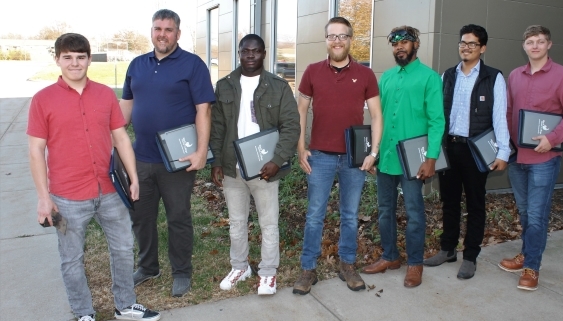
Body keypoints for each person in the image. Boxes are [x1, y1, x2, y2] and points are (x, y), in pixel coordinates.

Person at [27, 33, 160, 321]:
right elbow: (36, 150)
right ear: (58, 60)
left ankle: (125, 304)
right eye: (68, 57)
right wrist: (43, 198)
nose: (75, 63)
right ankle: (83, 313)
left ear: (89, 58)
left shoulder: (103, 95)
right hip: (68, 195)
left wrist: (134, 178)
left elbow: (121, 138)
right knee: (72, 258)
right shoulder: (43, 99)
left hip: (109, 190)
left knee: (124, 248)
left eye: (81, 56)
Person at [119, 9, 215, 297]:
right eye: (157, 28)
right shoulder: (137, 64)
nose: (162, 34)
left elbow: (204, 110)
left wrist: (200, 151)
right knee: (141, 216)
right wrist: (114, 138)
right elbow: (126, 105)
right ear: (151, 31)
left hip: (178, 160)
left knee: (178, 216)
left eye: (168, 29)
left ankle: (182, 271)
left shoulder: (193, 65)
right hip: (141, 158)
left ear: (178, 33)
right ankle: (148, 266)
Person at [293, 17, 383, 295]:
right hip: (319, 155)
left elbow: (377, 116)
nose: (337, 41)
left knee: (350, 215)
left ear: (351, 40)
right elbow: (300, 112)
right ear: (326, 40)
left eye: (343, 36)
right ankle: (308, 269)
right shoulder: (312, 71)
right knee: (314, 216)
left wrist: (374, 152)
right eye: (332, 36)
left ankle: (347, 264)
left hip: (354, 158)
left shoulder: (366, 75)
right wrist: (300, 148)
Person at [210, 34, 300, 295]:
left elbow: (291, 126)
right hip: (232, 167)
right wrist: (216, 161)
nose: (250, 55)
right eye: (245, 51)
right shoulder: (225, 85)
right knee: (237, 222)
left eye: (256, 51)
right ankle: (240, 266)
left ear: (263, 53)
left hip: (265, 169)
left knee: (268, 223)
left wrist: (276, 160)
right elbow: (218, 126)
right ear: (239, 53)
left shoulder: (278, 86)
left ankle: (268, 272)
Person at [423, 24, 510, 280]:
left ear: (482, 48)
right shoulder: (447, 75)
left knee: (475, 204)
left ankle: (470, 256)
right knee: (448, 202)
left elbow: (500, 117)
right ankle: (447, 249)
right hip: (449, 148)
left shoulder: (493, 77)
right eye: (463, 42)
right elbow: (437, 115)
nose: (466, 47)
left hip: (475, 150)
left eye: (472, 44)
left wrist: (503, 152)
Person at [499, 25, 563, 291]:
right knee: (524, 211)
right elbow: (508, 111)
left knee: (537, 215)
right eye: (530, 42)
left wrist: (552, 138)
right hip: (516, 157)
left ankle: (532, 267)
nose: (535, 46)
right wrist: (503, 144)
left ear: (549, 45)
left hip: (544, 159)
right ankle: (527, 252)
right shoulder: (514, 76)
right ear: (524, 46)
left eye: (541, 41)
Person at [362, 26, 445, 288]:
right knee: (385, 211)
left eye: (405, 42)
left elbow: (437, 121)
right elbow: (377, 118)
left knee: (414, 213)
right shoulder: (385, 78)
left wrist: (431, 157)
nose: (399, 47)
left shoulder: (429, 78)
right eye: (395, 43)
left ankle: (415, 263)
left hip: (413, 161)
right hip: (386, 158)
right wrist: (372, 153)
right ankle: (390, 256)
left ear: (416, 44)